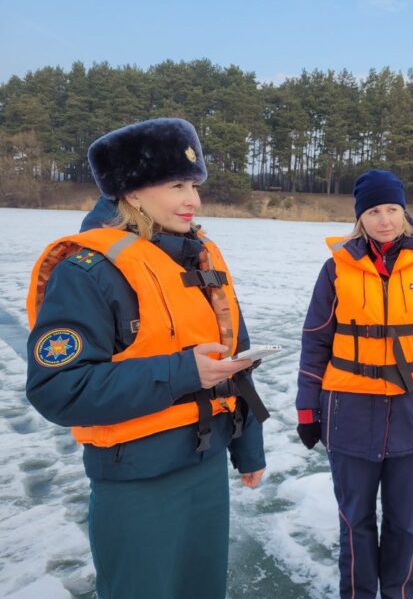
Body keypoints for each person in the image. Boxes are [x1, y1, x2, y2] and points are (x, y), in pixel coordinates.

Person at [26, 118, 270, 599]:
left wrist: (247, 446)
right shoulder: (88, 272)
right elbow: (57, 389)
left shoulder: (200, 260)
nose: (193, 200)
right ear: (133, 194)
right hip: (136, 480)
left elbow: (235, 360)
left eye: (195, 185)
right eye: (176, 185)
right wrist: (181, 371)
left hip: (205, 466)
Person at [296, 169, 413, 598]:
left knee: (404, 522)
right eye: (373, 211)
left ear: (404, 211)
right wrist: (306, 409)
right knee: (354, 521)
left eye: (392, 209)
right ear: (360, 218)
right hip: (349, 414)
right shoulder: (336, 268)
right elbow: (315, 340)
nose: (384, 220)